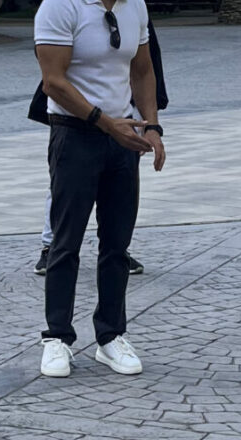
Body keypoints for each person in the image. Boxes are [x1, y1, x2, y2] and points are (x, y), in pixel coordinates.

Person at [34, 0, 165, 378]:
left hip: (122, 138)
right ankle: (56, 338)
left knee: (116, 244)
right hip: (75, 136)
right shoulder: (61, 4)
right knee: (65, 242)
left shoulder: (134, 3)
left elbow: (143, 70)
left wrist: (151, 127)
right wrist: (106, 122)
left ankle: (110, 337)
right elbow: (54, 82)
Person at [31, 20, 168, 276]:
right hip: (74, 118)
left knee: (119, 187)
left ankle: (117, 247)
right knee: (66, 184)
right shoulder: (68, 7)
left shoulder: (133, 7)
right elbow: (53, 66)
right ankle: (52, 246)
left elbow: (145, 65)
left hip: (123, 108)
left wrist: (149, 123)